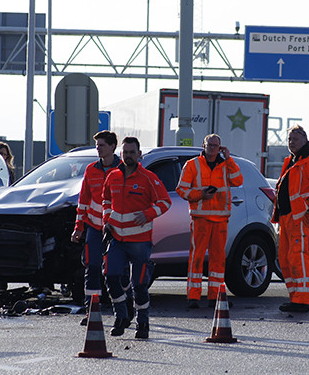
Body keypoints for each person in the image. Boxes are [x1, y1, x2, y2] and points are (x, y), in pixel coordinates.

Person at [102, 136, 171, 339]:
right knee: (111, 276)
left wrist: (148, 213)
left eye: (132, 152)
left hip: (140, 241)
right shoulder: (112, 176)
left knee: (139, 284)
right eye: (125, 152)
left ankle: (143, 323)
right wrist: (107, 219)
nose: (129, 156)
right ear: (120, 154)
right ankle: (122, 316)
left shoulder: (148, 177)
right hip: (117, 239)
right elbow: (105, 200)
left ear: (139, 155)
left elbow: (166, 202)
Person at [176, 134, 243, 309]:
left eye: (216, 146)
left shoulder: (225, 165)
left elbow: (238, 180)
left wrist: (229, 159)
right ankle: (193, 297)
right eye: (210, 145)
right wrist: (201, 195)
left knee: (218, 259)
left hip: (220, 218)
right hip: (201, 218)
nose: (212, 148)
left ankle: (215, 296)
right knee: (196, 258)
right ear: (203, 146)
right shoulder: (192, 165)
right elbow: (181, 189)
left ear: (220, 148)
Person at [273, 124, 309, 313]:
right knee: (285, 258)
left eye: (295, 139)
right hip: (286, 216)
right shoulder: (293, 159)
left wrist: (307, 205)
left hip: (297, 216)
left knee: (297, 257)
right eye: (289, 139)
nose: (291, 143)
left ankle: (302, 298)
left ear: (304, 140)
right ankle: (295, 296)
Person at [71, 130, 126, 325]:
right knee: (92, 268)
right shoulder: (91, 169)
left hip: (119, 228)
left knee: (117, 271)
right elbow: (83, 201)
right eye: (97, 145)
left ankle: (124, 310)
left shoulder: (124, 168)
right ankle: (92, 311)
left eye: (101, 145)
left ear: (112, 147)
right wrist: (78, 227)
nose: (98, 149)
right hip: (95, 228)